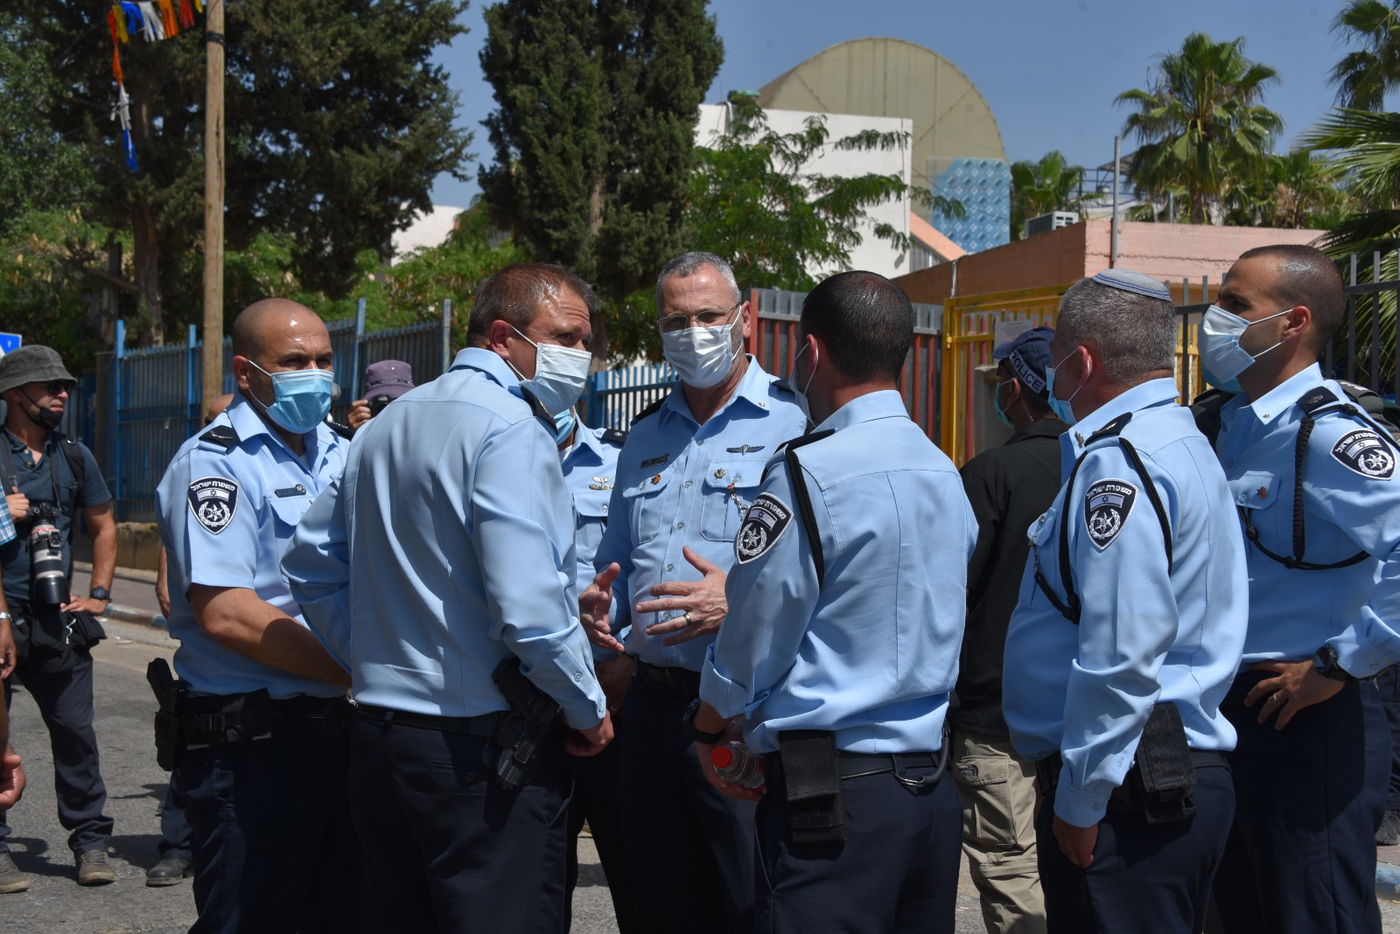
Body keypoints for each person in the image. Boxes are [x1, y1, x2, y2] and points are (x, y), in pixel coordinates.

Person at [283, 262, 613, 933]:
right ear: (502, 336)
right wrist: (588, 708)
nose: (582, 356)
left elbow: (311, 563)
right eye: (566, 338)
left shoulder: (384, 426)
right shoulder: (512, 428)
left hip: (383, 740)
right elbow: (530, 611)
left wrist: (373, 658)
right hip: (481, 755)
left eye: (585, 341)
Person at [688, 270, 974, 932]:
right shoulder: (943, 471)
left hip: (833, 797)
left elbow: (755, 631)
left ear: (810, 354)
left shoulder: (805, 473)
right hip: (929, 788)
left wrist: (709, 725)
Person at [1002, 270, 1248, 934]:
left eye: (1053, 360)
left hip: (1130, 792)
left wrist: (1082, 800)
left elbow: (1120, 652)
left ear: (1081, 362)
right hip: (1157, 779)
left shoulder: (1120, 463)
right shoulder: (1181, 442)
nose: (1051, 376)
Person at [579, 250, 808, 933]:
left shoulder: (793, 424)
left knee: (746, 900)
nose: (694, 332)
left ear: (745, 318)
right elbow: (617, 556)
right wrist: (601, 613)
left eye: (708, 316)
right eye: (677, 321)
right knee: (653, 901)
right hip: (651, 708)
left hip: (743, 708)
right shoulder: (643, 435)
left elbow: (819, 570)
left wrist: (736, 606)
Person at [1204, 244, 1400, 934]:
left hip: (1307, 712)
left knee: (1314, 913)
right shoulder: (1226, 423)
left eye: (1235, 305)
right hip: (1231, 708)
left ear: (1293, 322)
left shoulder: (1329, 433)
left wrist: (1344, 662)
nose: (1212, 319)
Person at [154, 299, 358, 934]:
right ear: (247, 373)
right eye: (294, 361)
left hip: (342, 734)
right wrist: (357, 669)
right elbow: (226, 613)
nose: (316, 374)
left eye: (325, 360)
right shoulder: (215, 462)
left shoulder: (343, 451)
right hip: (253, 747)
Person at [953, 325, 1063, 934]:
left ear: (1016, 390)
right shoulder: (1102, 465)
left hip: (995, 716)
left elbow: (953, 593)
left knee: (1012, 872)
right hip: (1082, 711)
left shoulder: (991, 473)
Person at [0, 345, 118, 891]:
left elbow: (104, 524)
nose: (62, 395)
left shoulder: (74, 455)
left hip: (57, 618)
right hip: (2, 617)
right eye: (50, 387)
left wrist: (98, 592)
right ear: (15, 395)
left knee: (75, 732)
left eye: (65, 385)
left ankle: (91, 842)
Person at [555, 407, 638, 932]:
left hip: (617, 703)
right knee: (535, 887)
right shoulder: (491, 454)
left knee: (643, 879)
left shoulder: (623, 457)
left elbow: (653, 562)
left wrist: (628, 658)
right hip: (529, 707)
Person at [148, 390, 232, 888]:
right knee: (194, 741)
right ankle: (177, 846)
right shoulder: (196, 462)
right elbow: (174, 540)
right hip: (211, 655)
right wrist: (164, 580)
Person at [346, 359, 414, 432]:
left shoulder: (421, 427)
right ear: (369, 407)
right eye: (382, 408)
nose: (389, 415)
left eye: (399, 404)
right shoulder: (363, 434)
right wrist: (351, 434)